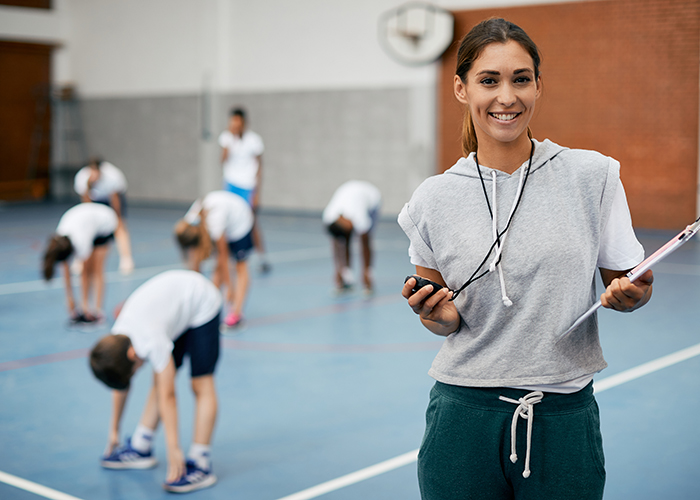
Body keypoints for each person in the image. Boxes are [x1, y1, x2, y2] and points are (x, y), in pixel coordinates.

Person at [398, 18, 653, 500]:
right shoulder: (432, 199)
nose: (506, 96)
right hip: (460, 419)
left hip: (562, 418)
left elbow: (630, 284)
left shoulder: (592, 176)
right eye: (489, 80)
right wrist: (438, 315)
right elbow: (443, 319)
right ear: (461, 88)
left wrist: (632, 294)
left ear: (538, 85)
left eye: (520, 79)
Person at [89, 270, 222, 493]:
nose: (134, 374)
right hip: (174, 311)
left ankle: (201, 462)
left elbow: (169, 396)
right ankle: (142, 446)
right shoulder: (118, 340)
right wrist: (114, 431)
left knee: (200, 383)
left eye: (132, 372)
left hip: (201, 303)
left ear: (133, 355)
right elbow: (120, 385)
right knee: (159, 378)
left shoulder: (150, 339)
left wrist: (174, 449)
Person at [174, 190, 254, 328]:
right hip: (223, 219)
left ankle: (236, 312)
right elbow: (196, 261)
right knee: (217, 268)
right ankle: (208, 303)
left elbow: (224, 258)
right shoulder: (189, 224)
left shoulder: (215, 223)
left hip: (240, 221)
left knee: (240, 266)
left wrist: (230, 288)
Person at [42, 202, 118, 323]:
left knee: (96, 269)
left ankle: (98, 311)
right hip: (87, 221)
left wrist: (84, 307)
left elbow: (85, 272)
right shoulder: (59, 239)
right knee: (89, 270)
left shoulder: (81, 241)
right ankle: (88, 308)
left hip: (105, 222)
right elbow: (65, 268)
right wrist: (70, 298)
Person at [219, 107, 271, 273]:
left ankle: (262, 258)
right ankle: (230, 258)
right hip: (231, 185)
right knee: (228, 223)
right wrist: (229, 143)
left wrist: (256, 193)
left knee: (252, 222)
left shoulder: (254, 140)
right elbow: (223, 160)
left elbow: (259, 166)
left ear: (243, 122)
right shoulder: (226, 138)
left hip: (247, 186)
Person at [74, 156, 134, 275]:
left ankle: (126, 259)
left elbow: (115, 201)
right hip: (94, 200)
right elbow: (86, 204)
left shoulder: (112, 176)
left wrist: (117, 218)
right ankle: (80, 260)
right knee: (86, 229)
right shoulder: (81, 178)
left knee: (119, 226)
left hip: (110, 198)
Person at [322, 180, 381, 293]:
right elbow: (336, 244)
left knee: (365, 236)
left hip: (372, 199)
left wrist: (366, 272)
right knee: (343, 241)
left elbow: (366, 244)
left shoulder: (359, 215)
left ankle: (368, 275)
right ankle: (347, 275)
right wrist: (339, 270)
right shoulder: (328, 217)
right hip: (348, 190)